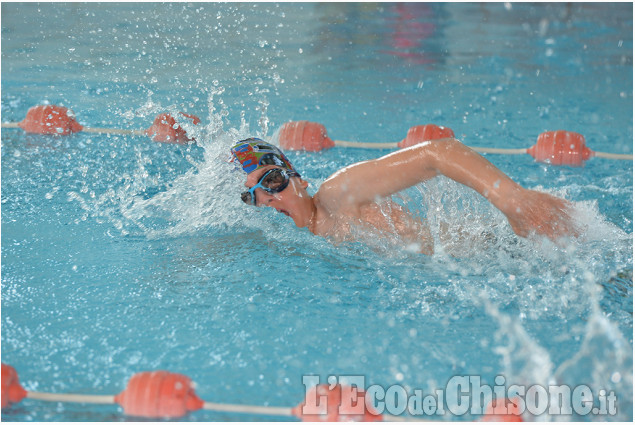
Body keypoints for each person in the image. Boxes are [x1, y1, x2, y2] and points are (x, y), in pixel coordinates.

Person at [229, 137, 577, 255]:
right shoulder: (299, 241)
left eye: (272, 180)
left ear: (298, 178)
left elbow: (438, 153)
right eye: (252, 197)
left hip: (506, 250)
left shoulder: (337, 195)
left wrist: (513, 200)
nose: (268, 198)